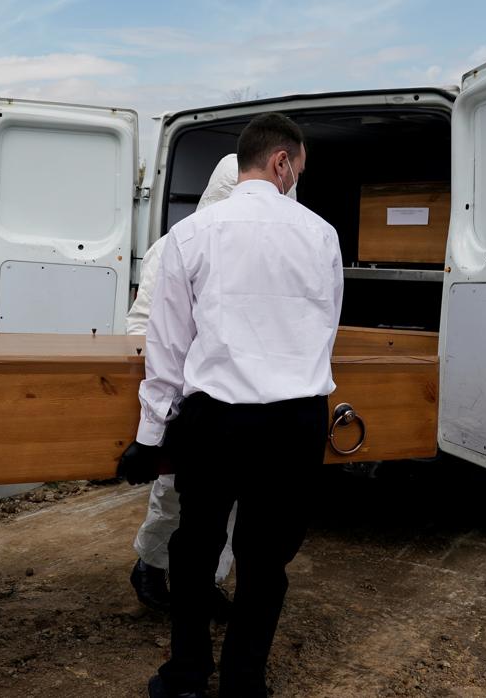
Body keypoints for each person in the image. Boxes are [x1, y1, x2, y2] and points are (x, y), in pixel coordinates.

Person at [118, 113, 342, 698]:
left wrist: (149, 435)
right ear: (281, 162)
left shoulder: (189, 237)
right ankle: (245, 683)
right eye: (297, 169)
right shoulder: (321, 234)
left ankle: (187, 676)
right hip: (296, 420)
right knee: (266, 563)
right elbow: (325, 329)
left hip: (216, 421)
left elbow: (166, 350)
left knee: (195, 551)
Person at [126, 154, 241, 619]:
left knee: (227, 503)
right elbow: (142, 329)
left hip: (233, 399)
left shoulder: (258, 254)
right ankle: (151, 566)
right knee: (172, 493)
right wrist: (160, 405)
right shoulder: (176, 246)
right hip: (183, 399)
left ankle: (206, 580)